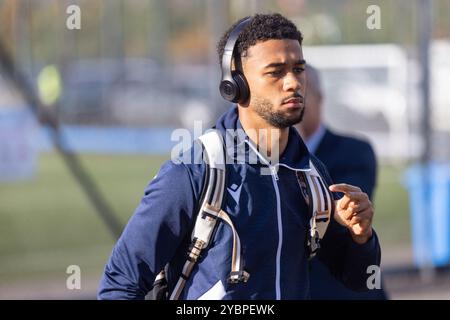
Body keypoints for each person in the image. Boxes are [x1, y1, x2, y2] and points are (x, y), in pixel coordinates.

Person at [98, 13, 381, 300]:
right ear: (235, 83)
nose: (293, 82)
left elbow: (358, 279)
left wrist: (361, 237)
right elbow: (121, 284)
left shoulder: (310, 173)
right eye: (276, 72)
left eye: (298, 69)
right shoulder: (194, 171)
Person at [295, 64, 387, 299]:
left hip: (343, 290)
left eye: (302, 93)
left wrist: (294, 149)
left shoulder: (353, 151)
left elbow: (341, 211)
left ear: (319, 97)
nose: (295, 103)